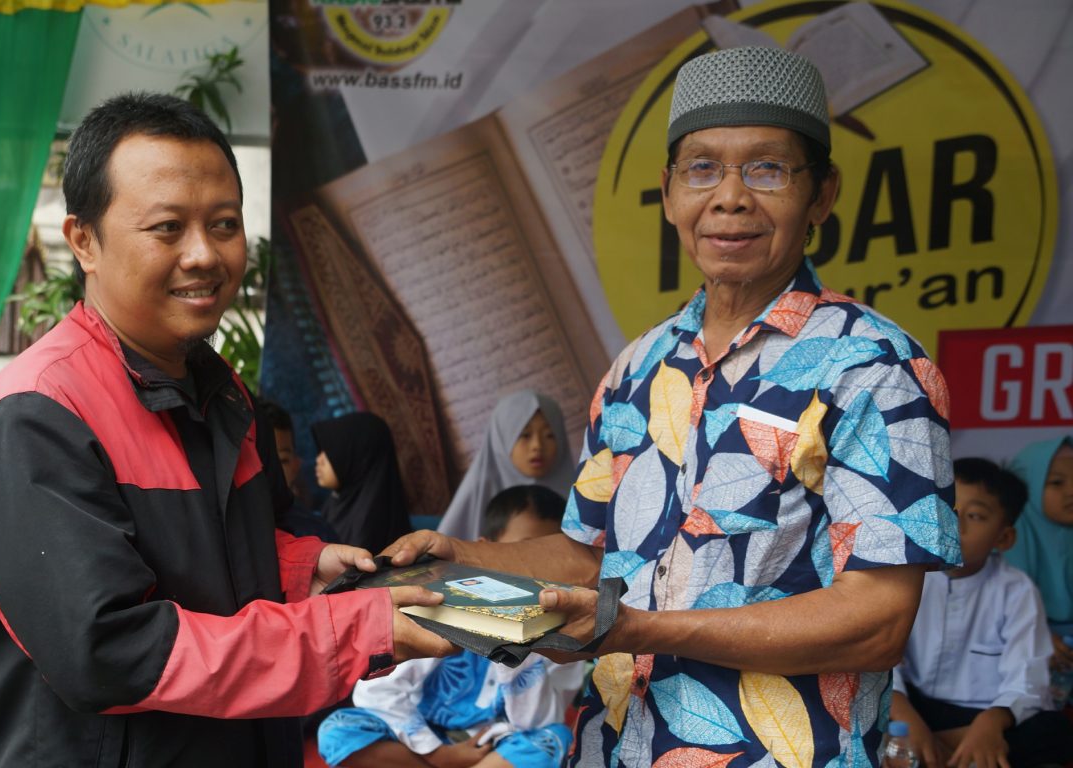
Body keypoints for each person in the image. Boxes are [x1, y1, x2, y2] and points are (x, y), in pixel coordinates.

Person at [385, 47, 960, 768]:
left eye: (768, 169)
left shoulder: (875, 367)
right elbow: (590, 554)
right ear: (668, 192)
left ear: (822, 195)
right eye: (702, 168)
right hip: (613, 749)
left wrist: (637, 629)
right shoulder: (638, 366)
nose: (730, 198)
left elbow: (876, 622)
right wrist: (464, 556)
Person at [0, 93, 454, 767]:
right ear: (84, 240)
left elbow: (213, 559)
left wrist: (303, 570)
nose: (205, 255)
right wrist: (351, 628)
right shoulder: (36, 416)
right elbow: (111, 652)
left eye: (224, 224)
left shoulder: (224, 392)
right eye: (167, 228)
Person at [318, 485, 583, 768]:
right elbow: (378, 694)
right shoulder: (438, 601)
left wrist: (523, 642)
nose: (538, 570)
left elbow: (535, 723)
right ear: (486, 550)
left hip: (495, 748)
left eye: (552, 560)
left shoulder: (567, 632)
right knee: (338, 731)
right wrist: (438, 754)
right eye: (524, 552)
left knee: (552, 740)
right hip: (421, 740)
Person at [893, 458, 1072, 768]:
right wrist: (907, 717)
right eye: (947, 509)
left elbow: (1027, 678)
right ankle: (957, 752)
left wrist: (991, 722)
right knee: (869, 706)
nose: (954, 524)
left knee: (1053, 731)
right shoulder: (907, 579)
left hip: (983, 712)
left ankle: (931, 751)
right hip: (915, 704)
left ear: (1004, 539)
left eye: (974, 516)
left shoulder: (1016, 590)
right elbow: (882, 661)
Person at [437, 391, 575, 540]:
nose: (537, 446)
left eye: (549, 435)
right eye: (525, 435)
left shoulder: (583, 493)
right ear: (501, 439)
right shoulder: (479, 489)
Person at [1003, 438, 1073, 675]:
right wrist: (1038, 635)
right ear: (1028, 485)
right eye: (1057, 482)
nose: (1071, 491)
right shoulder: (1004, 539)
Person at [311, 411, 413, 555]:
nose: (319, 459)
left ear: (357, 457)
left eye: (330, 450)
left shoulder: (370, 527)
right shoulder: (336, 504)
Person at [258, 398, 340, 542]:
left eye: (282, 460)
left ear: (295, 465)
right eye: (259, 460)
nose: (271, 471)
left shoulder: (316, 535)